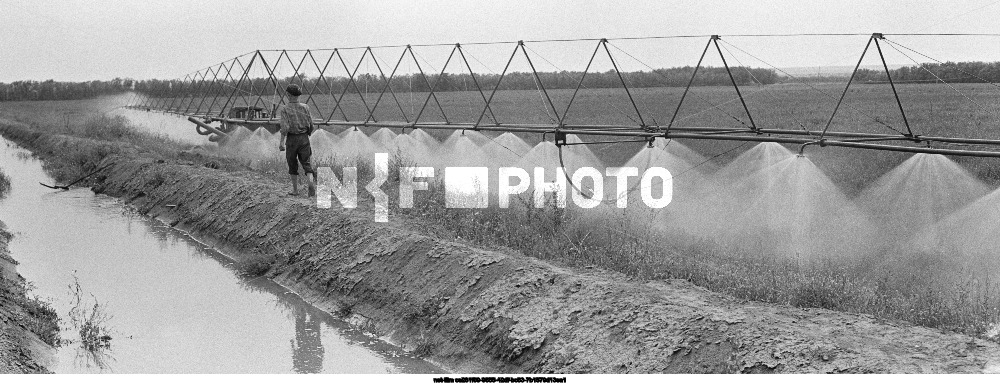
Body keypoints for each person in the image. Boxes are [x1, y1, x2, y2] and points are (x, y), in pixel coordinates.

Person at [278, 84, 317, 197]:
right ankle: (310, 184)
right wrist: (307, 134)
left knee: (292, 164)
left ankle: (295, 190)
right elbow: (311, 125)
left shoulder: (285, 109)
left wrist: (281, 142)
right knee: (306, 163)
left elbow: (284, 128)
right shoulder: (305, 107)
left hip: (292, 139)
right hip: (304, 138)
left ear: (288, 95)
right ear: (298, 95)